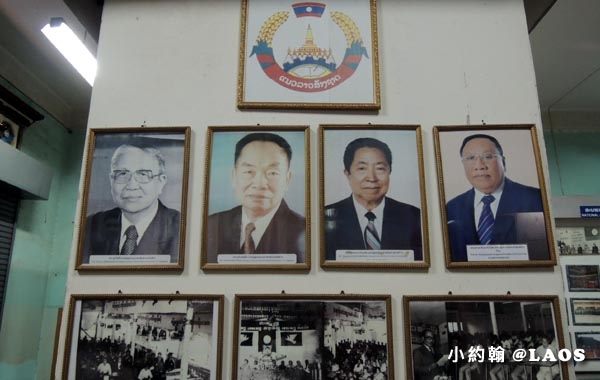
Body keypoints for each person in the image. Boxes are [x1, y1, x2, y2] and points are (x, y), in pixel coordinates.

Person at [206, 133, 306, 263]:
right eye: (249, 171)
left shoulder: (305, 230)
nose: (259, 184)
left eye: (272, 173)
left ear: (287, 180)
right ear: (234, 176)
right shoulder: (211, 225)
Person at [446, 134, 546, 262]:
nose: (480, 166)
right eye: (470, 158)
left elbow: (539, 254)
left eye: (487, 157)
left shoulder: (534, 199)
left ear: (503, 162)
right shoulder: (452, 207)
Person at [324, 137, 422, 261]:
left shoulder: (413, 216)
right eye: (362, 168)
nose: (371, 177)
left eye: (380, 168)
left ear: (389, 172)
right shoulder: (326, 216)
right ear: (348, 174)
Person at [82, 144, 181, 263]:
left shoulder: (180, 227)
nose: (132, 186)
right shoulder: (91, 225)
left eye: (143, 174)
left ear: (161, 182)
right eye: (122, 174)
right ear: (111, 180)